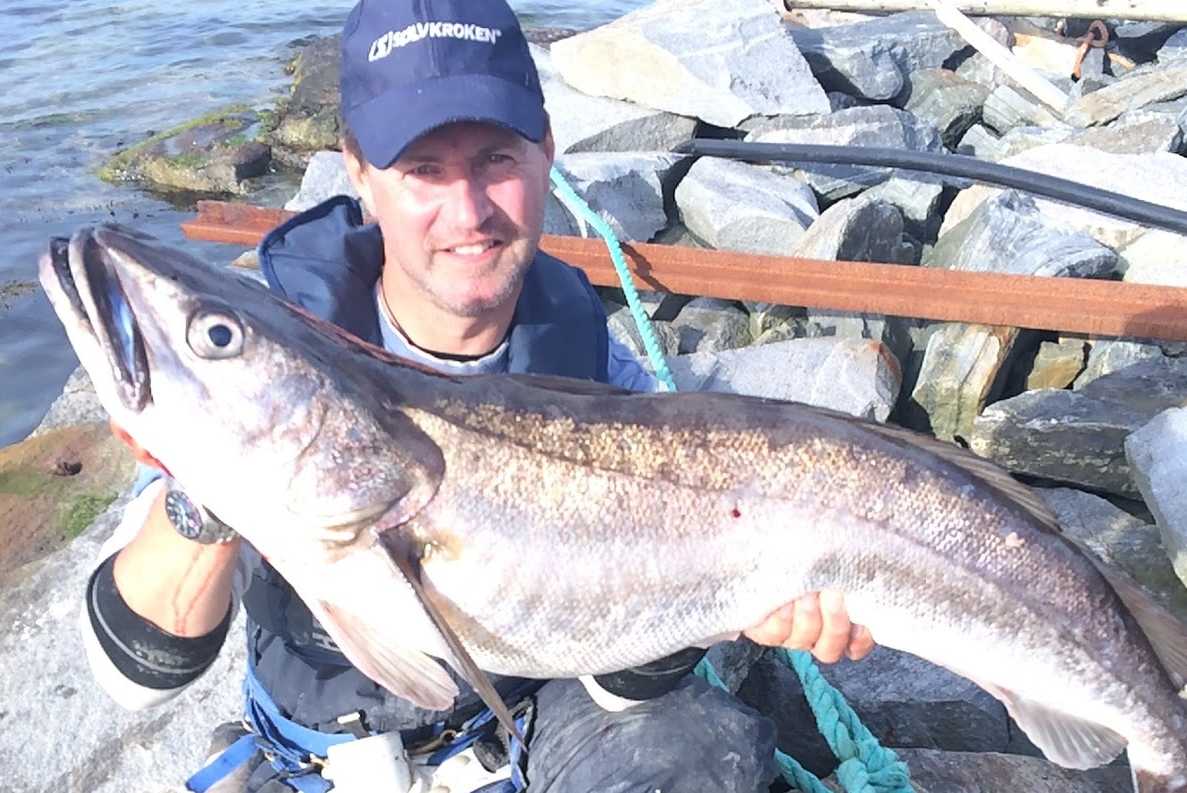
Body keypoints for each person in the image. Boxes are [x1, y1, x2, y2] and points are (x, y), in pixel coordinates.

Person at [78, 1, 874, 791]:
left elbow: (615, 688)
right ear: (358, 172)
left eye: (495, 159)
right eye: (423, 169)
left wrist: (725, 600)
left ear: (546, 151)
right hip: (322, 756)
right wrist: (204, 499)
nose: (468, 212)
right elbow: (133, 680)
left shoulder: (595, 368)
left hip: (527, 722)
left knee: (696, 750)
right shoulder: (276, 353)